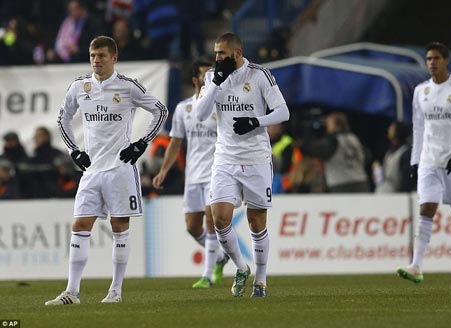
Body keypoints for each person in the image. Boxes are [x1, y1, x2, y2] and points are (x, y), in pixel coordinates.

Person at [45, 35, 168, 305]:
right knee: (79, 225)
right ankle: (72, 292)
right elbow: (63, 117)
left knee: (119, 226)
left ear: (114, 58)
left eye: (101, 56)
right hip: (91, 171)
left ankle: (115, 290)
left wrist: (140, 144)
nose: (96, 61)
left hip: (120, 169)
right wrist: (74, 150)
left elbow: (160, 110)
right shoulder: (80, 86)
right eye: (92, 56)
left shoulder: (127, 87)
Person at [195, 32, 290, 298]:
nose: (217, 58)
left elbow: (283, 111)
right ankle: (240, 265)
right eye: (215, 53)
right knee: (219, 218)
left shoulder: (259, 75)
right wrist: (216, 83)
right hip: (225, 158)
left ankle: (261, 280)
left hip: (256, 158)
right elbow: (201, 115)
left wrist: (255, 121)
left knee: (256, 221)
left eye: (222, 53)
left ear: (237, 53)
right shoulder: (212, 78)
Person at [397, 42, 451, 285]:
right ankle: (417, 266)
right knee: (426, 209)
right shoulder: (420, 91)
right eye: (428, 59)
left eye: (436, 58)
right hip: (429, 161)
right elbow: (419, 127)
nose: (431, 63)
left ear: (446, 60)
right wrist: (415, 160)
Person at [152, 59, 230, 288]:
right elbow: (175, 143)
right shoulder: (183, 108)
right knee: (192, 227)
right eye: (205, 74)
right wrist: (163, 170)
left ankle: (207, 276)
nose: (210, 78)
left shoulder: (221, 105)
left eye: (212, 74)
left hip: (217, 172)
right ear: (195, 79)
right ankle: (219, 256)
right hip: (193, 174)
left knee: (210, 221)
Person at [301, 112, 370, 193]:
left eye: (329, 123)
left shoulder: (333, 142)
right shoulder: (354, 138)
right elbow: (367, 157)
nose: (326, 126)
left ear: (337, 125)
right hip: (361, 182)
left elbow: (311, 149)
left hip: (341, 185)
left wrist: (306, 134)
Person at [374, 121, 413, 193]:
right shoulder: (389, 151)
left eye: (391, 128)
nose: (389, 130)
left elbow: (406, 179)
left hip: (397, 192)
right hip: (386, 188)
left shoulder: (405, 153)